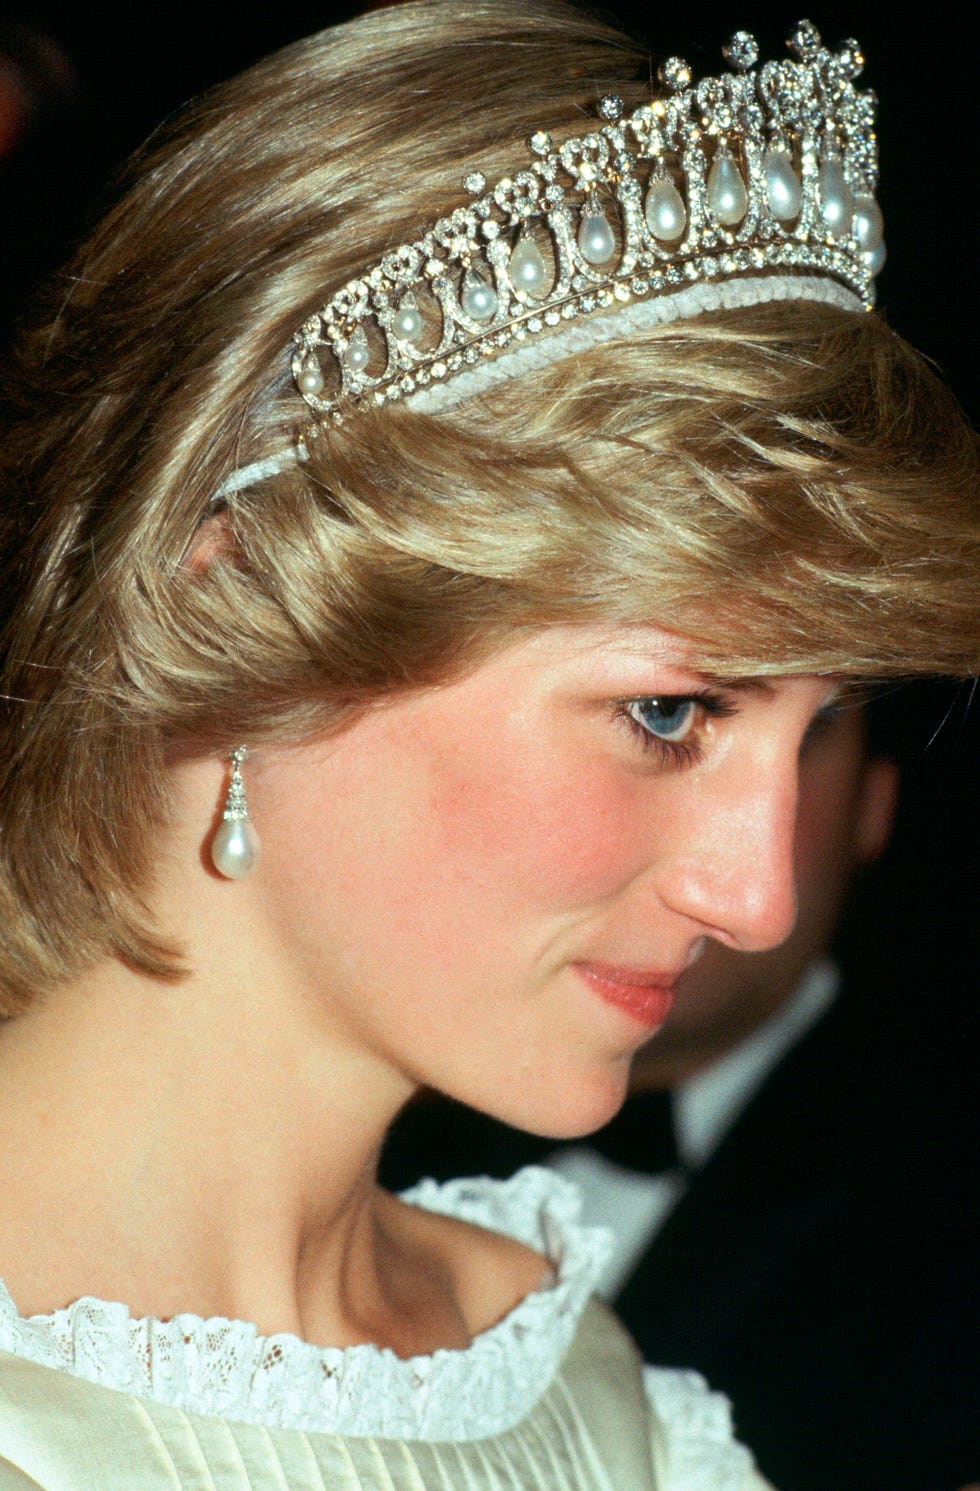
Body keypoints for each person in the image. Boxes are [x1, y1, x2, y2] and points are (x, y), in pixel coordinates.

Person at [0, 4, 978, 1488]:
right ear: (247, 610)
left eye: (821, 723)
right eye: (672, 712)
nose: (758, 898)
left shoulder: (594, 1393)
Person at [385, 705, 980, 1491]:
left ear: (875, 808)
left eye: (805, 745)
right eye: (665, 719)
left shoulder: (943, 1215)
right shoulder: (386, 1133)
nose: (739, 887)